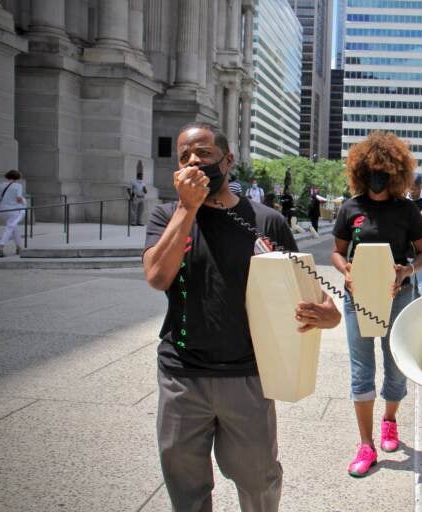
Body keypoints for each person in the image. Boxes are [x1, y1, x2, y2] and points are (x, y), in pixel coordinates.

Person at [142, 122, 341, 511]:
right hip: (182, 375)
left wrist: (328, 314)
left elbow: (312, 293)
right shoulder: (167, 214)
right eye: (185, 157)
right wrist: (187, 208)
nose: (194, 162)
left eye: (204, 154)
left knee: (259, 481)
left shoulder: (267, 222)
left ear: (228, 161)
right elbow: (157, 276)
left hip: (247, 377)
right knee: (185, 487)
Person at [331, 130, 422, 477]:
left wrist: (407, 271)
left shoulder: (407, 210)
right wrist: (345, 270)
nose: (378, 177)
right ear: (361, 171)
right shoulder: (350, 208)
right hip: (357, 296)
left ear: (396, 173)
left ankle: (389, 421)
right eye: (372, 170)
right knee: (361, 370)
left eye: (384, 171)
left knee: (396, 365)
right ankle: (366, 443)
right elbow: (337, 252)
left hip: (397, 296)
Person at [0, 169, 25, 257]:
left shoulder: (2, 185)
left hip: (3, 210)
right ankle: (1, 247)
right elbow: (19, 198)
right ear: (17, 177)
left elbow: (0, 197)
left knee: (13, 227)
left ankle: (19, 247)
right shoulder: (18, 186)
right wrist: (24, 202)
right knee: (10, 227)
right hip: (15, 210)